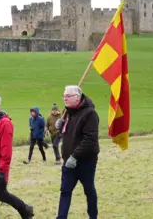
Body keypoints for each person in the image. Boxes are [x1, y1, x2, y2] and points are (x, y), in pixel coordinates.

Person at [56, 85, 100, 219]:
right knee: (65, 191)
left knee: (89, 190)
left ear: (78, 97)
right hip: (68, 161)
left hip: (86, 160)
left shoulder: (90, 114)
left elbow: (90, 139)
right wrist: (60, 126)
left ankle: (93, 216)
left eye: (68, 96)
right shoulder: (68, 112)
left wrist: (75, 156)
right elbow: (68, 136)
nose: (65, 98)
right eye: (64, 96)